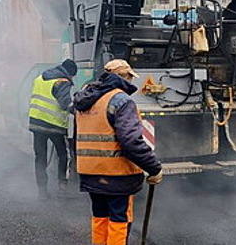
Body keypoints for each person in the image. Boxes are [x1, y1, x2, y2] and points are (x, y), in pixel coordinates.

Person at [74, 59, 163, 245]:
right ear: (124, 77)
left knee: (100, 216)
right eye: (130, 77)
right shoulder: (121, 100)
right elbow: (131, 141)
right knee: (118, 219)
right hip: (116, 173)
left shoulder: (85, 97)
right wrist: (154, 168)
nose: (131, 82)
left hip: (90, 171)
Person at [29, 59, 77, 200]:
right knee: (63, 155)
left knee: (40, 158)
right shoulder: (62, 81)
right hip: (54, 125)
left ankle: (42, 190)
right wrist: (78, 108)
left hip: (36, 123)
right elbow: (65, 103)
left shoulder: (40, 78)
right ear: (70, 73)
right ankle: (62, 187)